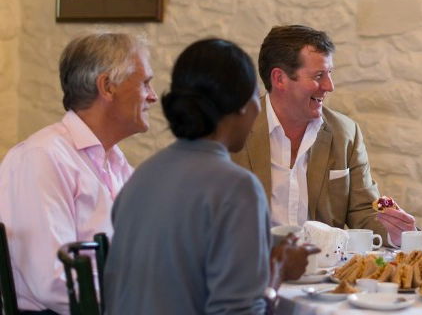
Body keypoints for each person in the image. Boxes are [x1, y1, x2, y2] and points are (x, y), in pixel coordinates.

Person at [105, 38, 317, 315]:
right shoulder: (237, 188)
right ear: (242, 106)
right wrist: (279, 273)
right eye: (256, 97)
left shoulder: (142, 175)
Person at [0, 33, 156, 314]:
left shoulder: (119, 165)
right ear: (107, 87)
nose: (153, 96)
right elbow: (53, 281)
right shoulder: (41, 158)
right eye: (145, 84)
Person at [232, 25, 417, 247]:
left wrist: (400, 233)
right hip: (254, 270)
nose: (329, 86)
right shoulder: (234, 133)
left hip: (325, 274)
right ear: (279, 79)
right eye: (319, 75)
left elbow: (364, 212)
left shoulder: (345, 133)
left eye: (330, 73)